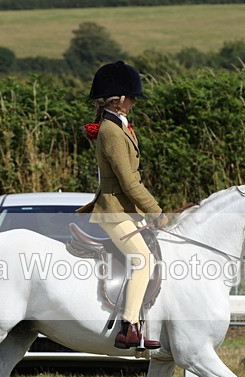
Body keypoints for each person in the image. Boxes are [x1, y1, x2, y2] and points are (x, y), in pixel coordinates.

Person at [77, 61, 168, 350]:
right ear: (117, 98)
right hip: (114, 210)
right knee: (142, 260)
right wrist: (155, 210)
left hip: (126, 209)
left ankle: (147, 324)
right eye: (131, 97)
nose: (133, 102)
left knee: (155, 255)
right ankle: (128, 327)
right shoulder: (111, 131)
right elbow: (128, 182)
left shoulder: (121, 126)